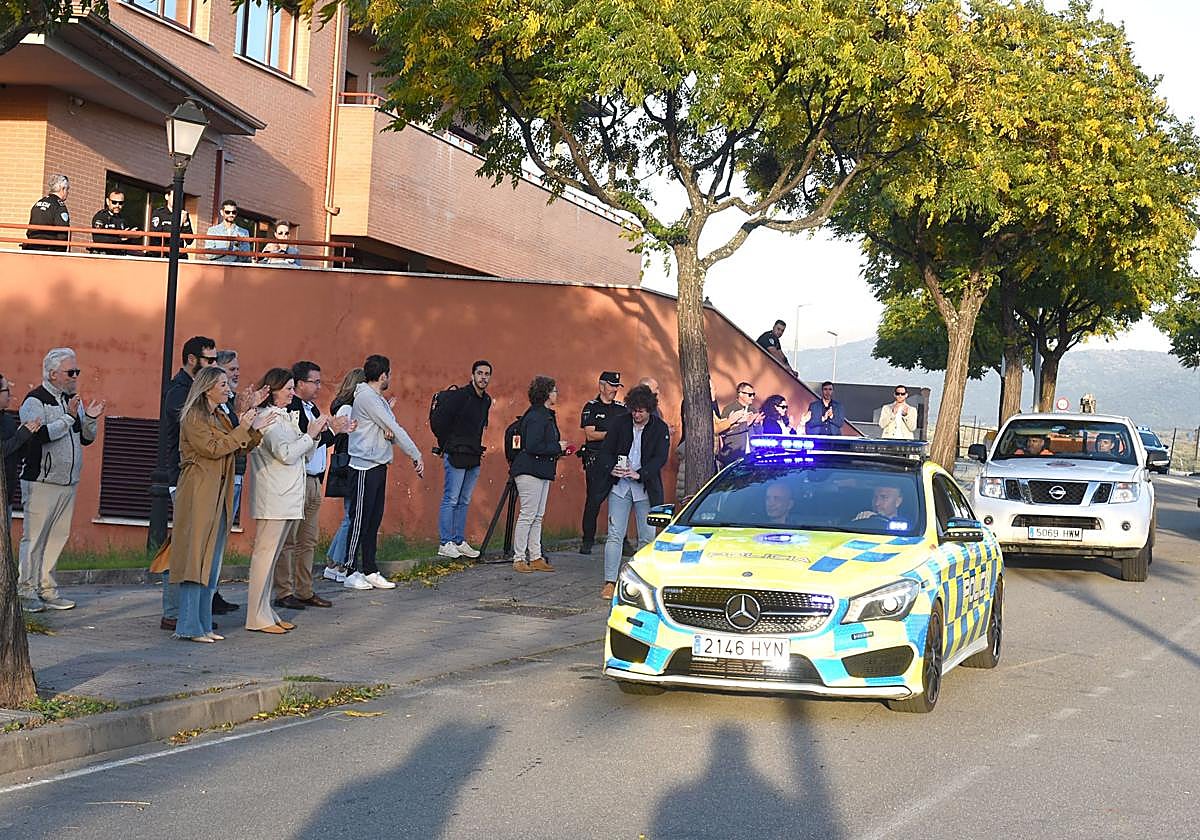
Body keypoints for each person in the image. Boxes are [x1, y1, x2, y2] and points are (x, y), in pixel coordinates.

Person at [170, 366, 271, 642]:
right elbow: (212, 448)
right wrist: (243, 428)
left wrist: (253, 429)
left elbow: (237, 445)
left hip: (218, 492)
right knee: (196, 559)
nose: (228, 389)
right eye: (223, 384)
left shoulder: (219, 415)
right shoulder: (193, 416)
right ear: (207, 388)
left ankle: (203, 625)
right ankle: (189, 626)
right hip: (199, 492)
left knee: (211, 563)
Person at [16, 348, 104, 613]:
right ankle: (26, 590)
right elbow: (39, 435)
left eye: (76, 371)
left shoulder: (70, 400)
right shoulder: (34, 400)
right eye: (70, 372)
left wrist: (88, 417)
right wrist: (67, 417)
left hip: (68, 482)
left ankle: (47, 588)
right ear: (53, 374)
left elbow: (85, 439)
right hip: (41, 480)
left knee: (56, 537)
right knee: (34, 538)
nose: (75, 376)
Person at [246, 368, 330, 633]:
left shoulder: (283, 417)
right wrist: (310, 434)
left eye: (293, 388)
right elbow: (285, 453)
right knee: (264, 556)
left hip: (287, 495)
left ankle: (265, 611)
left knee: (271, 559)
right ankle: (255, 616)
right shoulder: (267, 417)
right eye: (288, 389)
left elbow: (303, 455)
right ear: (272, 390)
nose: (292, 394)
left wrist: (313, 436)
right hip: (273, 496)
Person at [273, 361, 353, 611]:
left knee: (308, 540)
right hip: (297, 479)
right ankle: (284, 591)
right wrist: (333, 430)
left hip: (315, 479)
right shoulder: (292, 408)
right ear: (299, 384)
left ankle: (305, 589)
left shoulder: (311, 407)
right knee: (289, 541)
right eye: (314, 382)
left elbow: (318, 439)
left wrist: (335, 430)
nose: (319, 386)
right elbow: (305, 440)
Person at [343, 354, 424, 591]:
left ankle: (369, 569)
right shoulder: (368, 397)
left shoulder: (376, 399)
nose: (390, 378)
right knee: (359, 520)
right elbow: (394, 428)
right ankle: (350, 570)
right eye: (389, 374)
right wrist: (416, 454)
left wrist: (387, 431)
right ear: (383, 375)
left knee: (373, 520)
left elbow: (389, 427)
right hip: (363, 466)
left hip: (378, 464)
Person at [159, 336, 219, 631]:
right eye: (209, 361)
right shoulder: (178, 392)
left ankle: (190, 611)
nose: (214, 366)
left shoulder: (198, 391)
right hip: (182, 478)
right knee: (182, 546)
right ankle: (174, 611)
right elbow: (203, 434)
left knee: (194, 546)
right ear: (193, 360)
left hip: (202, 478)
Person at [599, 384, 671, 600]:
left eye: (641, 411)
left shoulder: (660, 427)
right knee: (614, 535)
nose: (637, 415)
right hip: (620, 486)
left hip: (645, 488)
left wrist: (641, 473)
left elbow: (661, 457)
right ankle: (610, 582)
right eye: (634, 410)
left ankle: (641, 582)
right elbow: (606, 451)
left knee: (647, 536)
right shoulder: (620, 423)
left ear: (649, 409)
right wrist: (611, 467)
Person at [433, 361, 493, 559]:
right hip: (455, 453)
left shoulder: (486, 401)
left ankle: (458, 540)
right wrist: (447, 444)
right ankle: (445, 542)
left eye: (487, 374)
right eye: (480, 373)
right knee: (451, 498)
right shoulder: (460, 396)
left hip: (473, 455)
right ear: (473, 374)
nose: (483, 377)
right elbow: (440, 422)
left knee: (464, 500)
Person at [509, 376, 565, 574]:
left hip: (540, 471)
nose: (557, 394)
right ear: (546, 394)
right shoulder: (537, 416)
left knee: (537, 515)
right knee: (528, 514)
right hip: (529, 470)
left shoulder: (545, 415)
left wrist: (558, 449)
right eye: (554, 390)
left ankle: (535, 556)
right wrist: (556, 447)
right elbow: (532, 445)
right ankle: (519, 557)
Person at [578, 371, 628, 554]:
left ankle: (622, 540)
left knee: (621, 499)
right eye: (612, 386)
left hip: (618, 458)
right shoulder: (591, 407)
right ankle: (587, 540)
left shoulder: (622, 409)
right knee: (594, 500)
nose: (615, 390)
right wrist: (612, 434)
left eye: (617, 386)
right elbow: (590, 434)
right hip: (597, 459)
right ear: (601, 386)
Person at [323, 367, 364, 582]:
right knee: (351, 515)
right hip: (349, 464)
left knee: (350, 515)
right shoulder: (348, 408)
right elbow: (349, 436)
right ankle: (338, 563)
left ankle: (333, 559)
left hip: (344, 462)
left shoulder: (342, 405)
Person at [1, 373, 41, 540]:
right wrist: (21, 436)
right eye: (6, 390)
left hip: (7, 497)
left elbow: (15, 454)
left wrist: (29, 436)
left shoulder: (9, 420)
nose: (10, 395)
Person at [718, 382, 762, 466]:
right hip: (734, 454)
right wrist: (747, 424)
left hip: (751, 455)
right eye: (750, 395)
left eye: (753, 394)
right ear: (741, 394)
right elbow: (724, 432)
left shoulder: (753, 410)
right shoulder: (730, 409)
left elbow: (759, 434)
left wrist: (756, 423)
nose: (753, 397)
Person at [23, 175, 71, 252]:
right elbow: (62, 230)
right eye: (67, 189)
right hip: (49, 248)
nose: (68, 192)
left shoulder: (38, 203)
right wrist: (61, 252)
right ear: (62, 189)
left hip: (32, 245)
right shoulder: (59, 205)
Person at [89, 188, 141, 255]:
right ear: (107, 202)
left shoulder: (122, 219)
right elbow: (98, 238)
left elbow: (127, 239)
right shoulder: (101, 217)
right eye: (114, 202)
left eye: (120, 203)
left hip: (118, 255)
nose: (117, 205)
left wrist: (132, 235)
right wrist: (120, 238)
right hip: (103, 254)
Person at [149, 190, 194, 259]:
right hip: (162, 255)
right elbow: (156, 235)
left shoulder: (183, 214)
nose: (177, 199)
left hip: (179, 256)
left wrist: (185, 223)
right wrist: (179, 225)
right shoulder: (159, 213)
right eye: (175, 196)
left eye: (179, 197)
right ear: (167, 197)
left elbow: (189, 241)